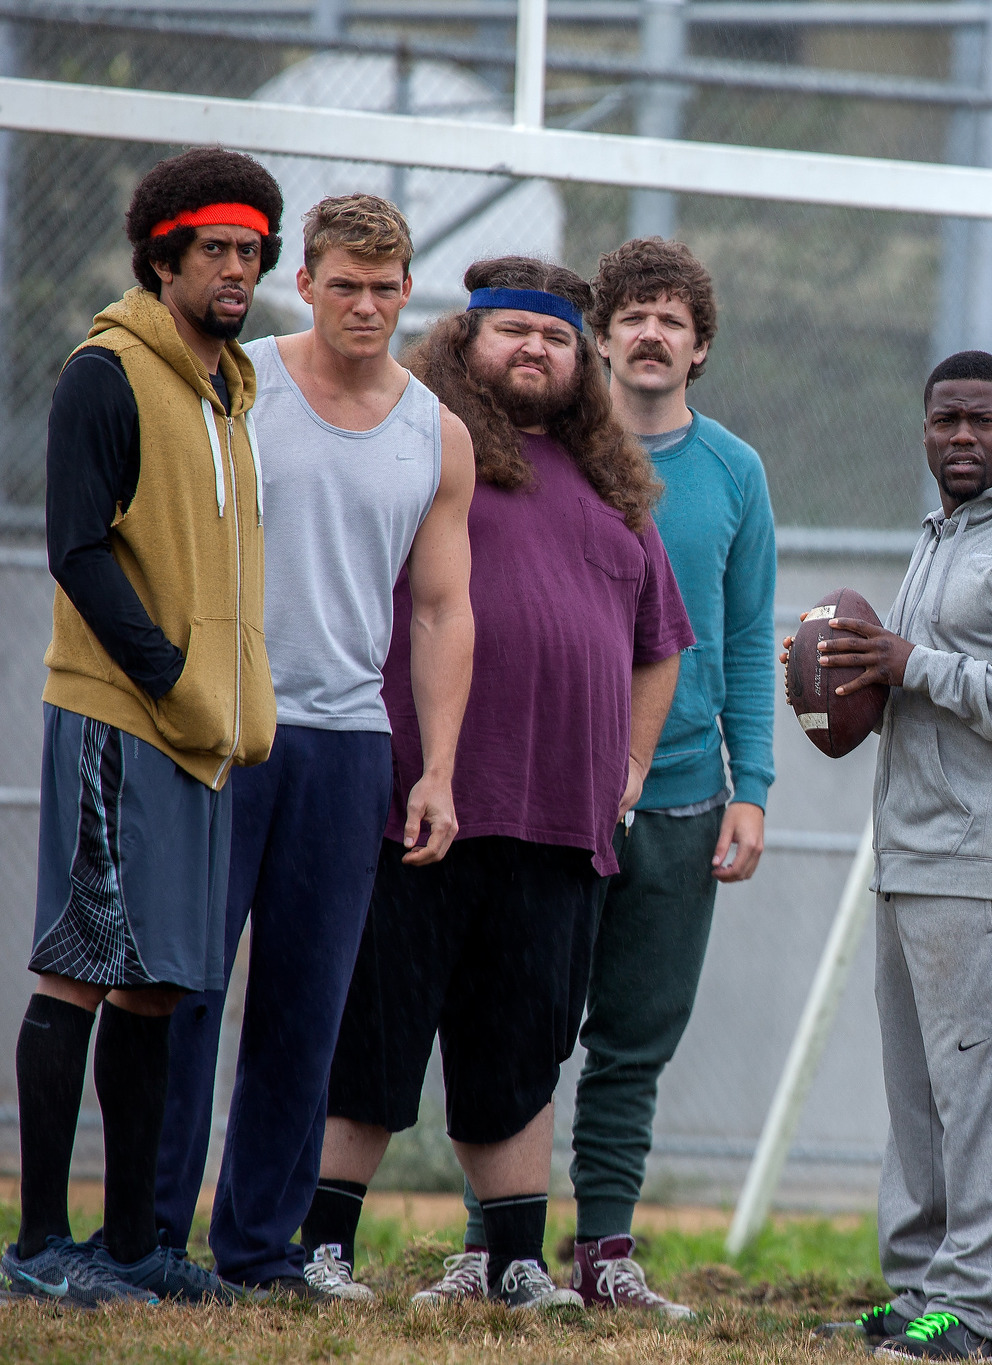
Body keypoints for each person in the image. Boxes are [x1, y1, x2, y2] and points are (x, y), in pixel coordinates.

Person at [305, 257, 691, 1311]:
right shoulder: (418, 445)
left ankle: (517, 1264)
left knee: (522, 1047)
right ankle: (320, 1245)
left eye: (557, 337)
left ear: (583, 359)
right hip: (415, 804)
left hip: (560, 821)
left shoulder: (615, 490)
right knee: (369, 1034)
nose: (535, 350)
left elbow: (661, 644)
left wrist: (630, 765)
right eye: (513, 331)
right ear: (464, 343)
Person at [148, 194, 477, 1300]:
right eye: (347, 284)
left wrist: (434, 768)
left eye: (389, 288)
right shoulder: (237, 388)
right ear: (306, 283)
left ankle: (259, 1251)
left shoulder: (438, 430)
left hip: (349, 748)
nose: (369, 306)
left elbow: (438, 610)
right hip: (222, 727)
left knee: (306, 1005)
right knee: (183, 991)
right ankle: (147, 1243)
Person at [440, 237, 776, 1318]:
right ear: (599, 338)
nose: (648, 333)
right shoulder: (540, 454)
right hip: (543, 786)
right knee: (513, 1023)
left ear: (700, 345)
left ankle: (606, 1254)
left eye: (671, 319)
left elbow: (746, 632)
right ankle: (492, 1250)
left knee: (632, 1036)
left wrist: (751, 787)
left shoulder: (733, 472)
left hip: (675, 795)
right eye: (629, 314)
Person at [4, 148, 283, 1306]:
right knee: (80, 969)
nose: (235, 268)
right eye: (214, 248)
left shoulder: (225, 392)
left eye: (252, 250)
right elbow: (77, 550)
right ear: (162, 256)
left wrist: (221, 704)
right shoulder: (105, 374)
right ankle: (39, 1250)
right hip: (124, 717)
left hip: (201, 735)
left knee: (160, 984)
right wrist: (169, 676)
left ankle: (134, 1250)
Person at [808, 350, 992, 1361]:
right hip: (911, 856)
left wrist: (910, 663)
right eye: (945, 420)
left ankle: (974, 1313)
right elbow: (926, 682)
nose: (962, 437)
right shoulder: (940, 537)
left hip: (985, 866)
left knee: (979, 1102)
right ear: (925, 428)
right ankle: (921, 1290)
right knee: (922, 1099)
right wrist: (852, 679)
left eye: (982, 420)